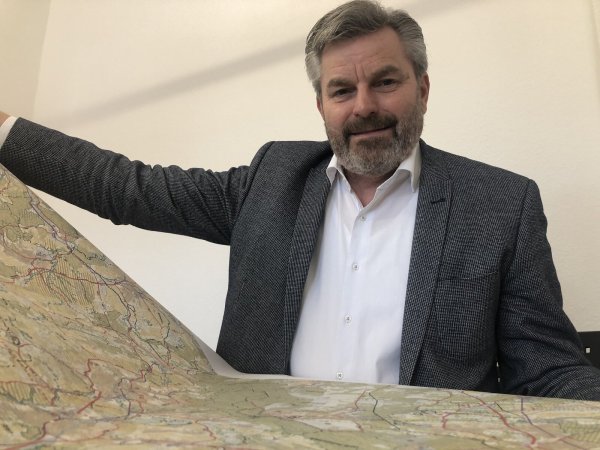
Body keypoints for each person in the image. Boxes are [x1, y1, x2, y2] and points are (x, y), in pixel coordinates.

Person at [1, 0, 599, 400]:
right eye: (342, 89)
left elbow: (547, 367)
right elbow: (129, 188)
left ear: (421, 88)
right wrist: (4, 132)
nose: (363, 106)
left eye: (385, 81)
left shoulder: (502, 204)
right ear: (321, 105)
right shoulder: (272, 178)